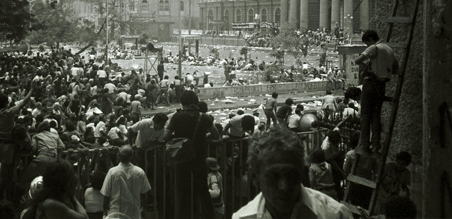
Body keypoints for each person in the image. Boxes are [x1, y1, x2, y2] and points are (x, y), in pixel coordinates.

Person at [232, 127, 353, 219]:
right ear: (255, 178)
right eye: (273, 176)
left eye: (291, 175)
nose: (284, 186)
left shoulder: (336, 215)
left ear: (301, 172)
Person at [164, 90, 219, 219]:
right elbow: (216, 135)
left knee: (181, 191)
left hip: (181, 159)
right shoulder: (204, 117)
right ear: (196, 102)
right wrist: (204, 136)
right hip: (199, 158)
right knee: (203, 190)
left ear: (182, 103)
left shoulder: (177, 117)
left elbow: (165, 137)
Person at [354, 29, 399, 153]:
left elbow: (357, 61)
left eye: (366, 43)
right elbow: (396, 69)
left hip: (371, 83)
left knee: (365, 115)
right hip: (382, 84)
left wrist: (368, 64)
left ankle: (364, 144)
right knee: (376, 115)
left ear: (370, 39)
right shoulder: (389, 50)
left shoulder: (374, 48)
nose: (367, 46)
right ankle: (375, 144)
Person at [22, 160, 88, 219]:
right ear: (65, 182)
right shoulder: (52, 204)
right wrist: (72, 196)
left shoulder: (49, 200)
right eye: (72, 176)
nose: (75, 178)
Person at [101, 145, 151, 219]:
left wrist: (105, 209)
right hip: (134, 214)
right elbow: (144, 193)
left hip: (116, 214)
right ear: (132, 156)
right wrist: (143, 208)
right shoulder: (140, 172)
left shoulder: (112, 172)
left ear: (119, 156)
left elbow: (106, 194)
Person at [17, 120, 65, 195]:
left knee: (23, 177)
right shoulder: (55, 136)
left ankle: (20, 198)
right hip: (54, 159)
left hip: (42, 158)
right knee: (50, 181)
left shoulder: (37, 136)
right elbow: (62, 146)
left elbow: (34, 149)